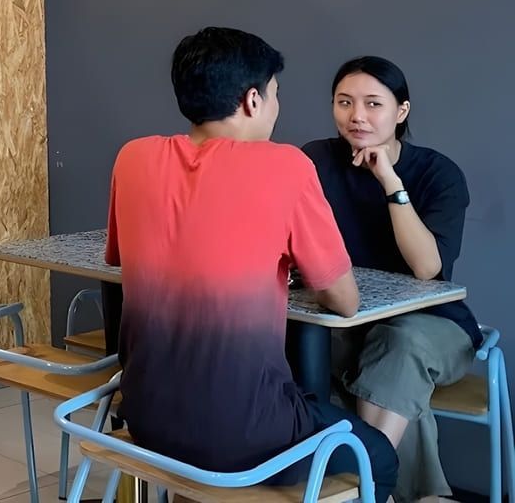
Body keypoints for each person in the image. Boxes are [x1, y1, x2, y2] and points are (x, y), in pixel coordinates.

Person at [106, 27, 397, 500]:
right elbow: (344, 301)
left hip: (144, 420)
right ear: (252, 100)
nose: (277, 107)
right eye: (276, 94)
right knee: (379, 458)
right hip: (246, 437)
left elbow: (125, 257)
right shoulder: (285, 165)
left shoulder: (131, 158)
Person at [304, 56, 480, 503]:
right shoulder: (316, 160)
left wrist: (389, 181)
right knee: (385, 380)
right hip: (347, 325)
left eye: (373, 103)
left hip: (433, 326)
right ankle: (427, 496)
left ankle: (370, 490)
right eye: (344, 102)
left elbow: (427, 269)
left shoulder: (438, 174)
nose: (357, 116)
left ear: (401, 111)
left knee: (397, 346)